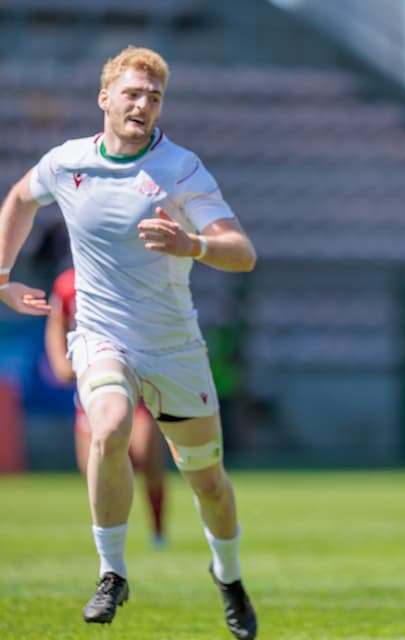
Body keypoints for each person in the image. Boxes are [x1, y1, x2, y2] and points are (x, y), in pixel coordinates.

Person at [0, 46, 257, 638]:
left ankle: (229, 576)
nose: (143, 104)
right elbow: (18, 197)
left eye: (154, 96)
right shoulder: (67, 163)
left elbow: (242, 252)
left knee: (208, 482)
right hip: (102, 336)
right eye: (133, 93)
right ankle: (112, 572)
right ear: (105, 98)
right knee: (110, 428)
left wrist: (193, 246)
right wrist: (4, 278)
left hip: (173, 348)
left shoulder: (181, 169)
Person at [45, 266, 169, 548]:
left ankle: (158, 530)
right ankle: (109, 540)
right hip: (95, 379)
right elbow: (56, 323)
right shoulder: (66, 283)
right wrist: (61, 364)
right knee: (93, 467)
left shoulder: (127, 271)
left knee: (146, 453)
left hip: (133, 378)